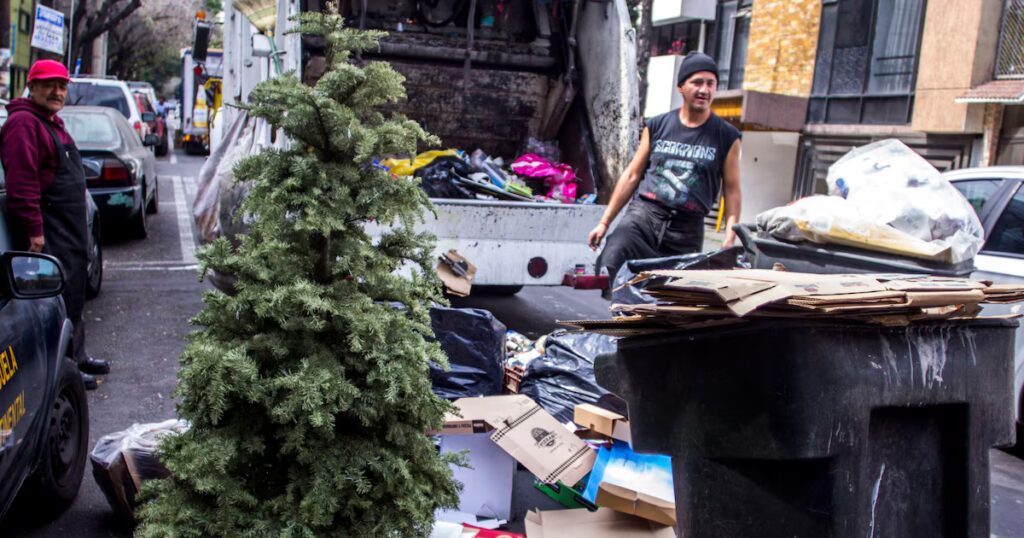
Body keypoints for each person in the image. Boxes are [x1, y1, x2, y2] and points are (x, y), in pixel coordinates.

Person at [588, 51, 742, 291]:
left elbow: (731, 190)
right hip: (645, 217)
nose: (704, 90)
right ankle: (617, 316)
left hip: (687, 230)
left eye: (710, 84)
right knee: (614, 255)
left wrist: (730, 236)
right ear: (681, 86)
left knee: (669, 296)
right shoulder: (658, 126)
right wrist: (604, 222)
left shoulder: (727, 136)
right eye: (697, 82)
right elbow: (632, 175)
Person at [1, 60, 110, 389]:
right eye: (48, 85)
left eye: (62, 86)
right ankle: (64, 371)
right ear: (31, 87)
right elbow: (23, 185)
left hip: (69, 231)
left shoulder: (52, 123)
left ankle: (77, 357)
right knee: (53, 301)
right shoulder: (23, 124)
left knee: (73, 292)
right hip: (49, 230)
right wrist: (35, 230)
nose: (57, 92)